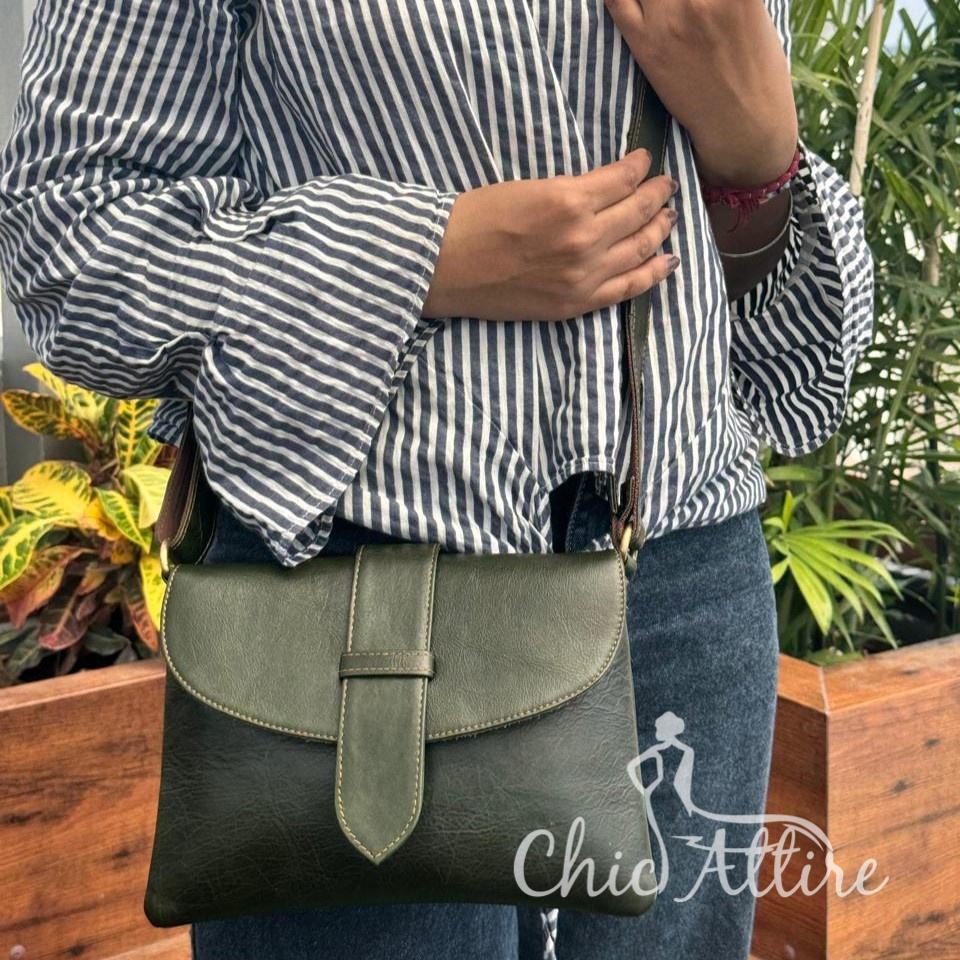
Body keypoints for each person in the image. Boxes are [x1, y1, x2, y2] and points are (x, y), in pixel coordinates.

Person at [0, 1, 873, 958]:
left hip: (686, 587)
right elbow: (68, 237)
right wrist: (425, 256)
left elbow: (790, 375)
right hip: (350, 590)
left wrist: (757, 156)